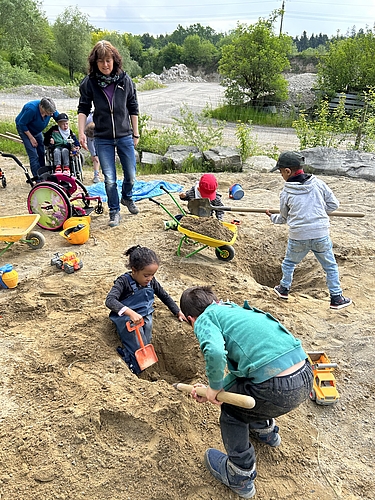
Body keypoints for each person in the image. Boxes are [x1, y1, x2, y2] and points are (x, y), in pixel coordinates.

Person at [179, 285, 313, 499]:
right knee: (251, 391)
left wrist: (213, 386)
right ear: (216, 300)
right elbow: (244, 372)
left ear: (190, 318)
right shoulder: (234, 311)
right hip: (305, 375)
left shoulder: (205, 317)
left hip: (274, 387)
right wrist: (217, 387)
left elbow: (213, 350)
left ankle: (239, 474)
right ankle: (264, 431)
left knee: (232, 413)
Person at [267, 151, 352, 310]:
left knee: (290, 262)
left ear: (287, 171)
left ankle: (284, 289)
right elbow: (334, 205)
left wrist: (272, 217)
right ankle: (336, 297)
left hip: (298, 236)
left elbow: (283, 218)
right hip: (320, 233)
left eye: (280, 172)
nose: (281, 176)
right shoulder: (319, 184)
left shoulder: (286, 192)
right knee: (330, 266)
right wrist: (317, 212)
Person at [77, 40, 140, 227]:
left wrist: (135, 133)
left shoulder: (125, 81)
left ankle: (127, 198)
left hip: (124, 135)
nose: (105, 65)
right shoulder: (90, 83)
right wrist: (81, 132)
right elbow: (83, 108)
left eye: (108, 60)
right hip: (103, 137)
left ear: (115, 61)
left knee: (131, 175)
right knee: (110, 178)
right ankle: (114, 211)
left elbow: (133, 107)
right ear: (95, 63)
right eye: (101, 61)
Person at [105, 245, 186, 374]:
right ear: (134, 270)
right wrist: (130, 312)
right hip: (128, 318)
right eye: (146, 275)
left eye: (152, 275)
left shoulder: (151, 281)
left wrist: (177, 311)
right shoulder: (123, 282)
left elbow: (163, 295)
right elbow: (110, 300)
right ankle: (131, 362)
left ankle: (136, 355)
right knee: (136, 344)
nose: (150, 279)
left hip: (145, 316)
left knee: (146, 341)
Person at [15, 97, 59, 178]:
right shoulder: (31, 109)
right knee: (34, 155)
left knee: (41, 151)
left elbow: (59, 118)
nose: (51, 115)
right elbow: (22, 124)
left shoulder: (50, 109)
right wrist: (31, 138)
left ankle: (43, 175)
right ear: (41, 107)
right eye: (48, 113)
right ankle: (37, 178)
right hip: (25, 129)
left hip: (37, 130)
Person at [84, 112, 101, 183]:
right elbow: (90, 144)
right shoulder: (86, 120)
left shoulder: (102, 121)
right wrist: (93, 154)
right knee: (95, 157)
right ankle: (96, 175)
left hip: (103, 134)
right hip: (89, 132)